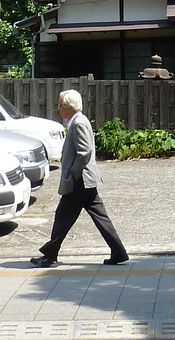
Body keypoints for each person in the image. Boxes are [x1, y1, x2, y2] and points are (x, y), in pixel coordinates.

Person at [31, 89, 129, 267]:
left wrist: (73, 173)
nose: (58, 109)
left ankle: (50, 255)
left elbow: (85, 152)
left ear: (69, 107)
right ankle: (119, 252)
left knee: (62, 217)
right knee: (98, 217)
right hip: (84, 180)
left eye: (60, 105)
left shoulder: (79, 123)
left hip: (80, 180)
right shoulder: (78, 121)